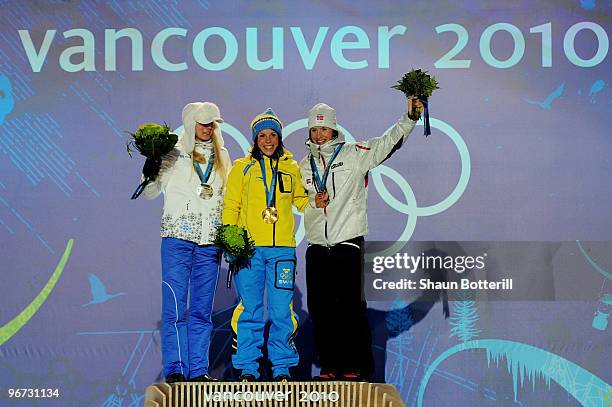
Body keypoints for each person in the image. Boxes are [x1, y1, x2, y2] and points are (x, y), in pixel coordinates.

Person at [299, 98, 424, 381]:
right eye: (314, 131)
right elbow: (296, 201)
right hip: (317, 244)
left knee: (350, 308)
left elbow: (388, 142)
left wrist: (411, 116)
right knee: (321, 308)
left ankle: (356, 366)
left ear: (334, 130)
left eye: (324, 130)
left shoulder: (355, 154)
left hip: (347, 240)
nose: (319, 135)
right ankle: (330, 365)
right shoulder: (303, 166)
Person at [142, 102, 232, 383]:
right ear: (190, 123)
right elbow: (150, 193)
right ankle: (176, 370)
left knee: (202, 312)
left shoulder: (222, 155)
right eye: (202, 123)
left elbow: (229, 196)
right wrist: (151, 167)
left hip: (209, 242)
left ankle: (198, 371)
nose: (207, 128)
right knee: (175, 308)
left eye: (211, 124)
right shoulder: (172, 153)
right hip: (177, 240)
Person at [222, 108, 309, 382]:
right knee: (251, 309)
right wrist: (230, 238)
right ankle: (248, 367)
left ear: (280, 137)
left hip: (282, 250)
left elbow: (301, 201)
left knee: (282, 310)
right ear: (255, 139)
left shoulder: (292, 167)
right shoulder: (242, 167)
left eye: (273, 135)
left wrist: (324, 200)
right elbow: (231, 205)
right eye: (262, 135)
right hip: (250, 250)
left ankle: (281, 367)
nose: (268, 140)